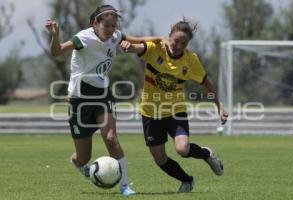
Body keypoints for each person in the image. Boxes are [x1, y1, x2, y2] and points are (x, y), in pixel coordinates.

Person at [45, 4, 161, 196]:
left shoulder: (114, 36)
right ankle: (78, 163)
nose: (111, 29)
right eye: (106, 25)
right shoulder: (84, 38)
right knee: (83, 157)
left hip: (102, 95)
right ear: (95, 23)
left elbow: (138, 40)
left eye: (114, 25)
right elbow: (57, 51)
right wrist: (55, 35)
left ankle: (125, 185)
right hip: (79, 99)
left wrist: (161, 39)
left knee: (111, 139)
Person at [122, 18, 229, 192]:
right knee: (160, 159)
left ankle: (206, 154)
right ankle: (186, 180)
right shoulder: (155, 48)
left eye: (184, 43)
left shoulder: (190, 59)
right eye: (176, 40)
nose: (179, 45)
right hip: (150, 112)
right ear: (169, 35)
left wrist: (219, 106)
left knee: (182, 149)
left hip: (175, 111)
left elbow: (206, 83)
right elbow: (134, 45)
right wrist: (129, 47)